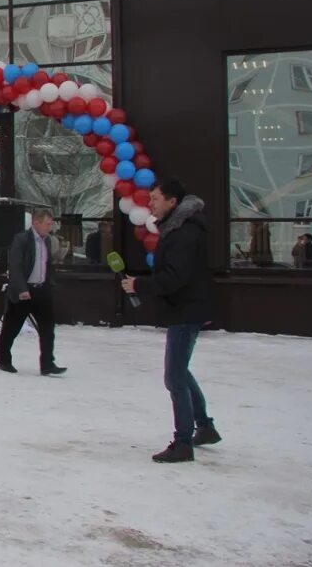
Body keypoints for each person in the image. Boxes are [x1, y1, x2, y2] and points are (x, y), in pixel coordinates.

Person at [122, 180, 220, 464]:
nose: (150, 203)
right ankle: (205, 426)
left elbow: (176, 278)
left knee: (174, 376)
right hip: (186, 308)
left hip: (185, 310)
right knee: (181, 371)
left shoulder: (184, 234)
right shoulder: (180, 229)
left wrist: (139, 285)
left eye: (155, 198)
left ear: (173, 202)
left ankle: (182, 443)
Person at [0, 208, 66, 376]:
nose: (50, 227)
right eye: (47, 224)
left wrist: (51, 284)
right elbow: (15, 266)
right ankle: (3, 360)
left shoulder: (47, 241)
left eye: (51, 224)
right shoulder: (22, 240)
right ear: (36, 223)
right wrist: (21, 289)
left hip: (41, 290)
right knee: (12, 327)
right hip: (24, 290)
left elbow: (47, 265)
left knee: (48, 328)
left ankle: (48, 363)